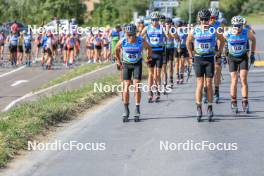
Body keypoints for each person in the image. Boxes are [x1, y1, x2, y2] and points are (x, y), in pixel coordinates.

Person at [186, 9, 225, 122]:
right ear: (199, 19)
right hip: (198, 58)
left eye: (206, 19)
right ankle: (198, 108)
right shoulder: (195, 30)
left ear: (210, 19)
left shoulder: (214, 30)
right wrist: (191, 55)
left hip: (209, 59)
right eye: (202, 19)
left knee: (208, 84)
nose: (204, 21)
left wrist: (219, 53)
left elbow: (222, 40)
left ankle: (209, 107)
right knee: (200, 83)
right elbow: (188, 42)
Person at [115, 24, 152, 122]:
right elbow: (116, 49)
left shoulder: (140, 40)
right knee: (126, 86)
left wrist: (148, 57)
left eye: (132, 34)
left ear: (135, 34)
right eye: (128, 34)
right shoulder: (123, 40)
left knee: (136, 86)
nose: (130, 37)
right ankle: (126, 109)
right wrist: (118, 60)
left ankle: (137, 108)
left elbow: (149, 47)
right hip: (126, 64)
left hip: (137, 64)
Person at [224, 16, 256, 113]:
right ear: (232, 25)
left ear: (242, 25)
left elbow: (253, 40)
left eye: (239, 25)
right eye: (235, 25)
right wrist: (222, 53)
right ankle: (233, 102)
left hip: (243, 57)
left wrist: (252, 54)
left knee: (243, 79)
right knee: (234, 79)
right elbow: (220, 40)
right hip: (232, 57)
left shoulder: (246, 31)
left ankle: (245, 101)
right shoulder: (228, 32)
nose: (237, 27)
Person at [141, 11, 170, 102]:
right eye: (153, 20)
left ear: (158, 20)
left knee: (157, 74)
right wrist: (143, 46)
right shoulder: (147, 28)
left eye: (156, 20)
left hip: (160, 52)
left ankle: (157, 91)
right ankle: (150, 93)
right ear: (150, 20)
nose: (155, 22)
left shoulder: (161, 28)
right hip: (151, 52)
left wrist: (167, 29)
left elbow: (168, 37)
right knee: (151, 74)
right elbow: (139, 38)